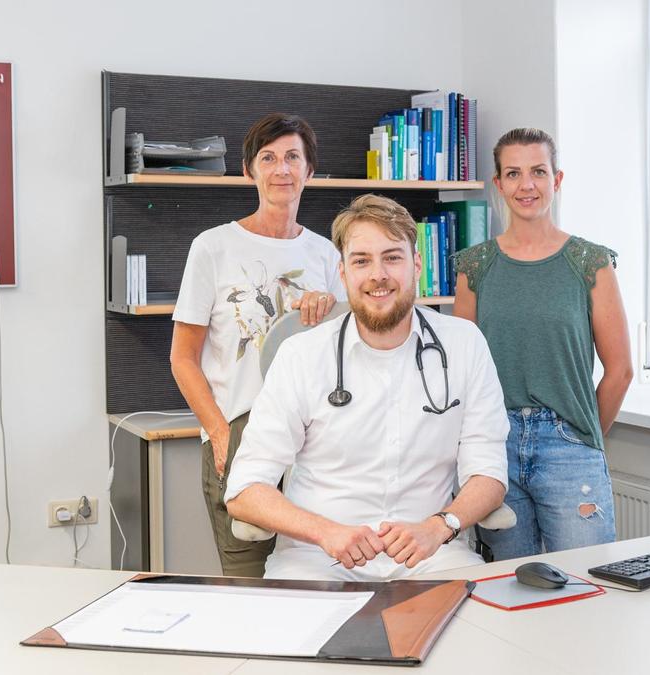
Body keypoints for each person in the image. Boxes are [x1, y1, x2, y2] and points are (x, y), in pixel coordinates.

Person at [223, 194, 509, 580]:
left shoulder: (464, 344)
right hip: (317, 560)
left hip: (432, 555)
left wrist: (440, 526)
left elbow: (489, 474)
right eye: (362, 261)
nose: (378, 275)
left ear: (417, 265)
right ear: (343, 274)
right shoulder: (302, 356)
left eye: (393, 257)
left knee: (485, 628)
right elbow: (245, 490)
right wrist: (326, 532)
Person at [170, 113, 344, 577]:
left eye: (292, 157)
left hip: (311, 439)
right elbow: (183, 359)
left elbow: (344, 356)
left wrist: (331, 309)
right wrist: (221, 433)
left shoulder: (326, 254)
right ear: (249, 171)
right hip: (240, 431)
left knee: (315, 573)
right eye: (268, 158)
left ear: (309, 171)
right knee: (247, 581)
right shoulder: (213, 247)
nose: (281, 169)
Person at [454, 127, 633, 559]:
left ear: (557, 179)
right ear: (498, 185)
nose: (526, 185)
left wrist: (583, 434)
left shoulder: (591, 263)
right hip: (495, 446)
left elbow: (620, 370)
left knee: (587, 582)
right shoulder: (474, 266)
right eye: (513, 174)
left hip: (569, 445)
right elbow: (462, 369)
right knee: (508, 586)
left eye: (538, 171)